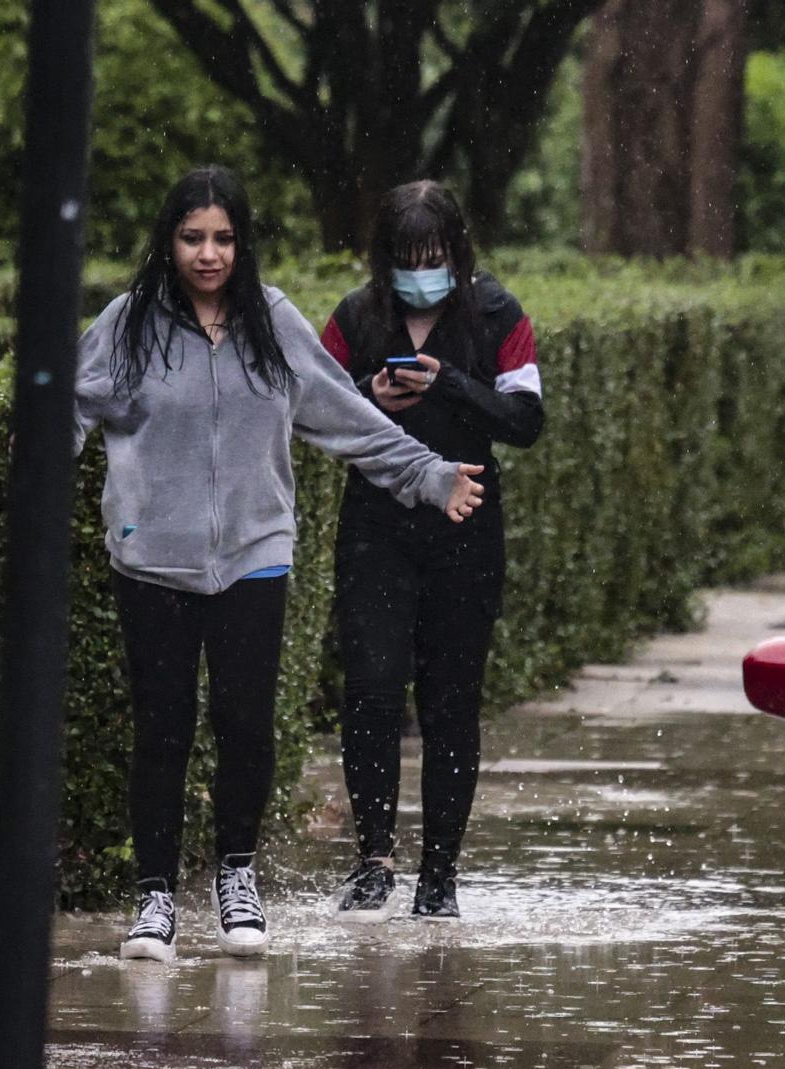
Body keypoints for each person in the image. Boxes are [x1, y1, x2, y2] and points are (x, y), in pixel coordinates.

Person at [73, 165, 485, 962]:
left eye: (223, 238)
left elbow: (349, 418)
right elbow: (73, 407)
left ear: (242, 243)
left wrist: (430, 476)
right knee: (162, 728)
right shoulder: (129, 325)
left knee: (244, 724)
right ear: (169, 241)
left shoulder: (274, 323)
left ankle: (236, 878)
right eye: (192, 237)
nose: (207, 253)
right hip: (152, 559)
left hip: (255, 558)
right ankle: (154, 896)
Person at [319, 180, 545, 922]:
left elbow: (524, 418)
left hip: (466, 530)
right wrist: (370, 396)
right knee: (374, 688)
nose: (422, 272)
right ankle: (374, 856)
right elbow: (313, 405)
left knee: (452, 701)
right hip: (376, 529)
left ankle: (438, 871)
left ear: (457, 253)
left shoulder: (496, 314)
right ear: (384, 260)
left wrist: (451, 384)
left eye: (435, 256)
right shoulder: (355, 316)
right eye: (407, 259)